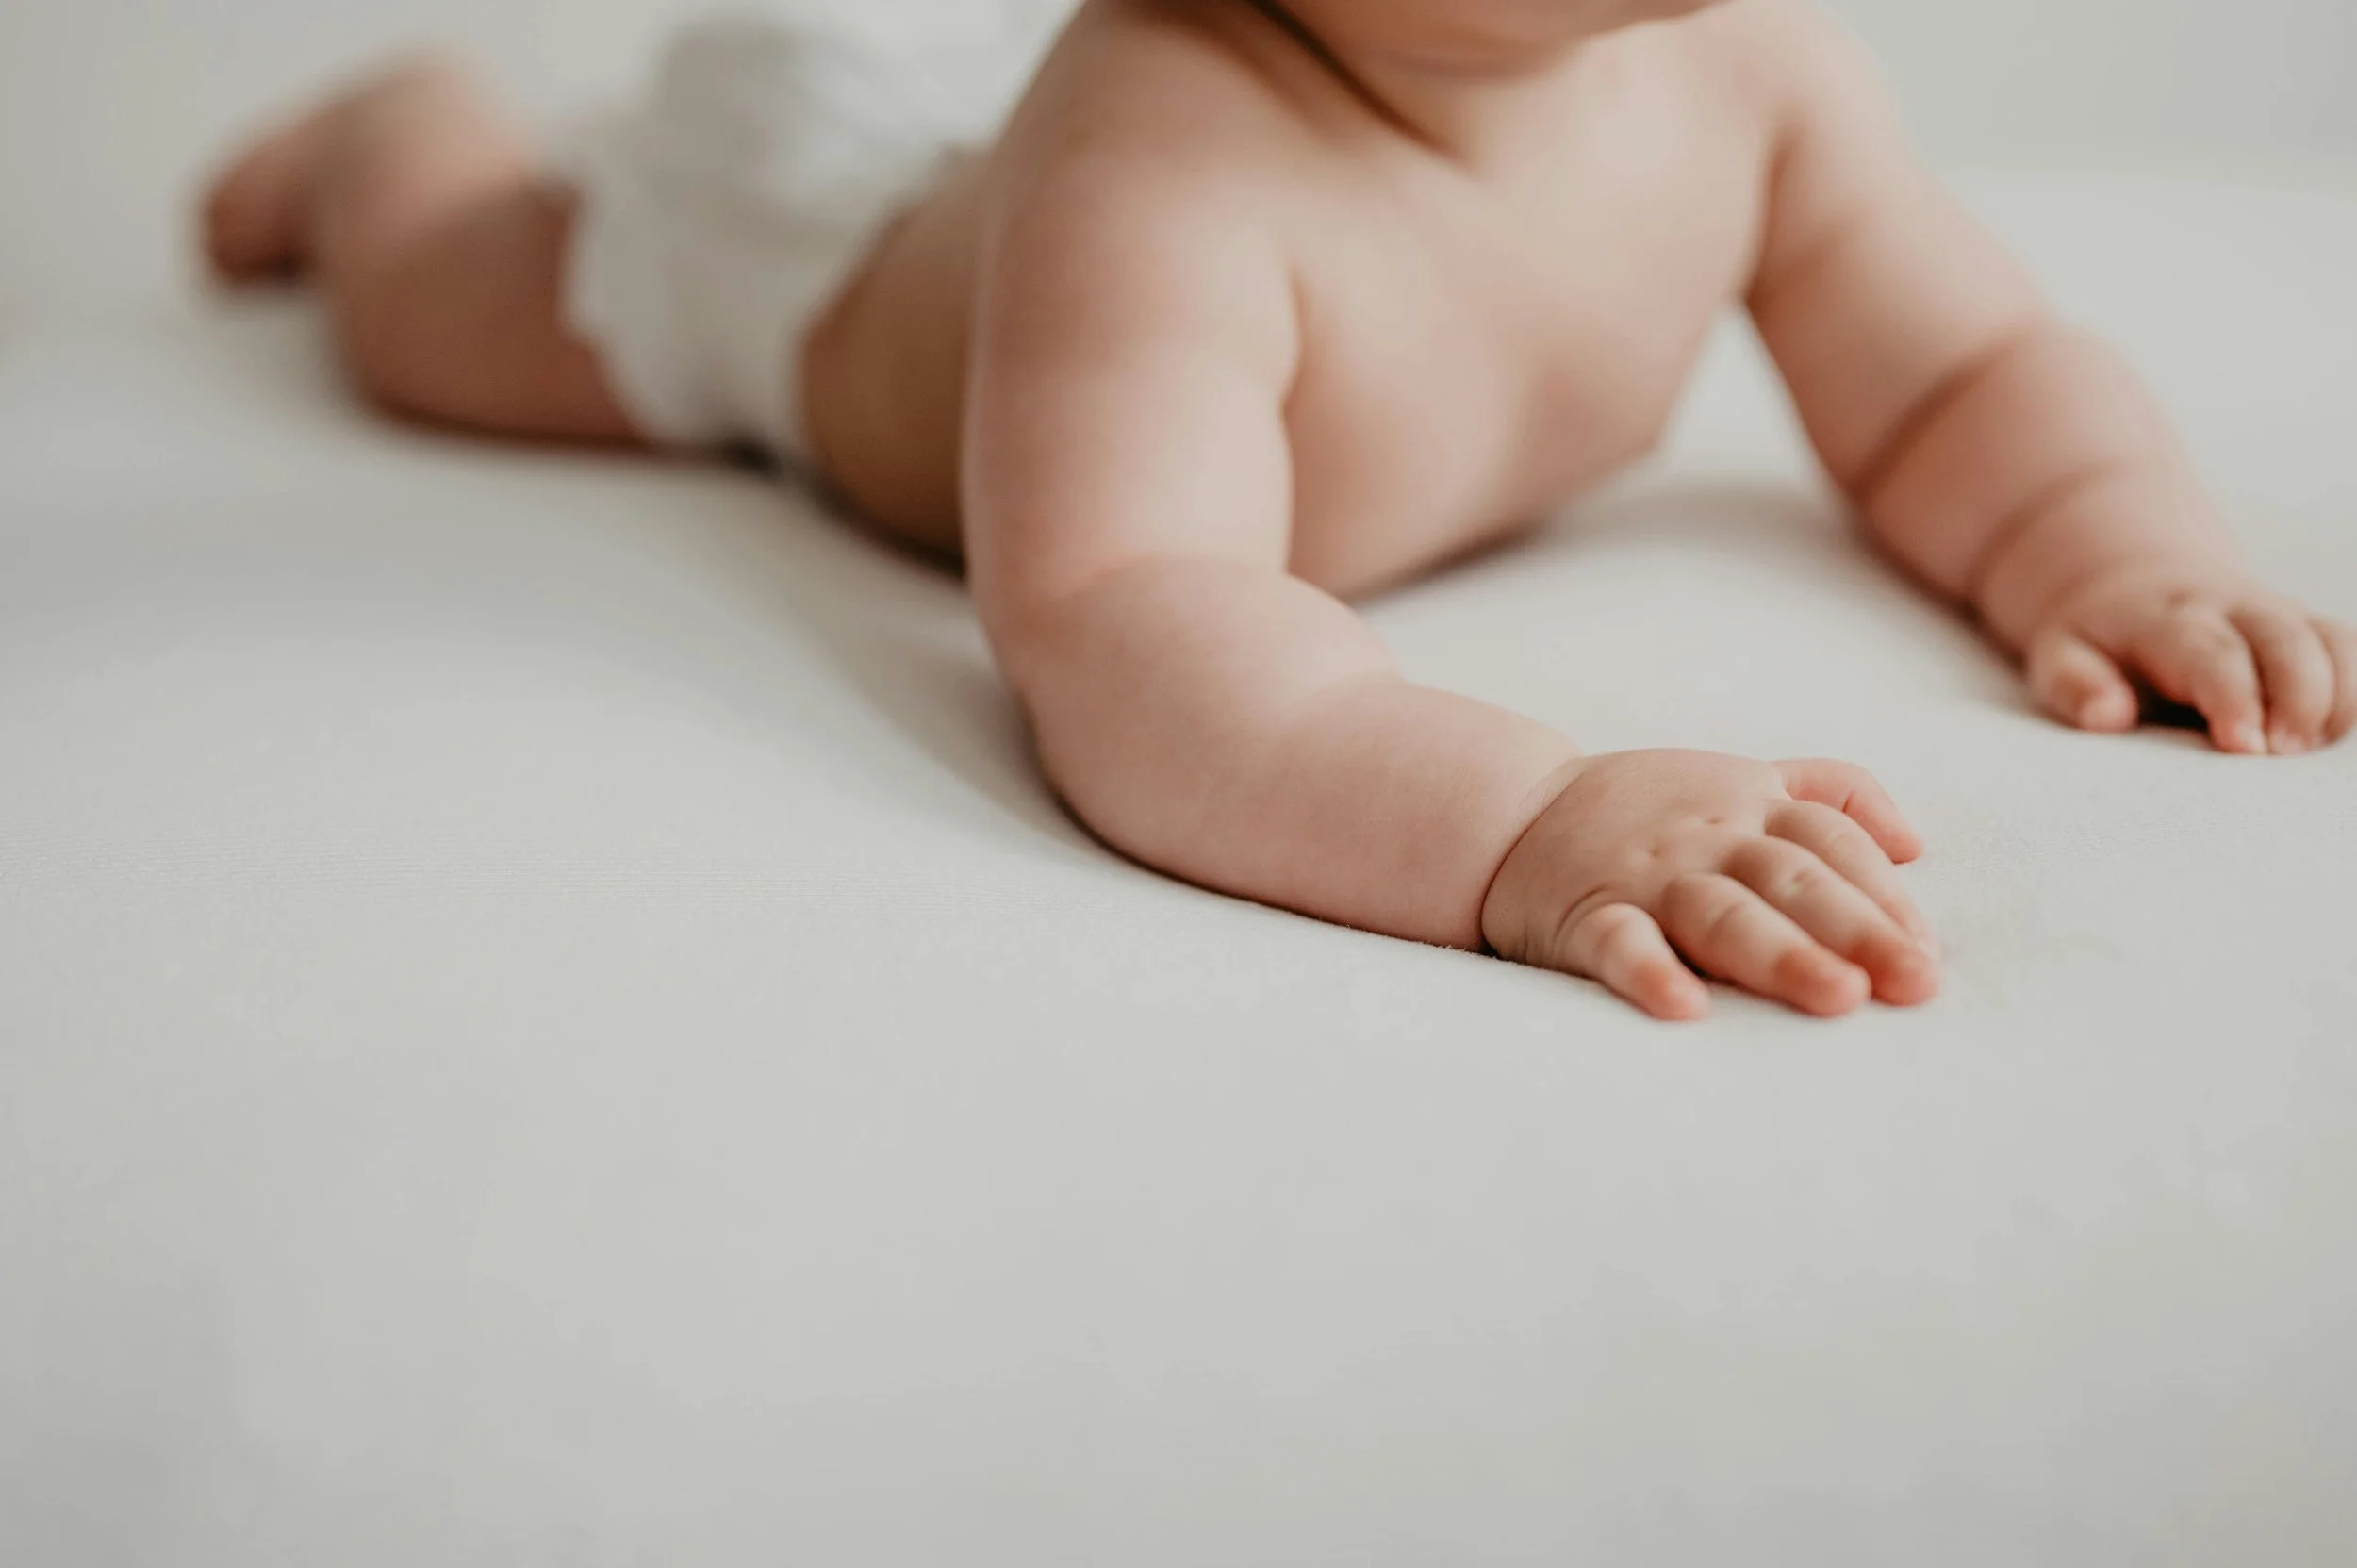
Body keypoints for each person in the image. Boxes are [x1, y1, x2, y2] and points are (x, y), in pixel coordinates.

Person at [202, 0, 2357, 1020]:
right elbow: (1128, 605)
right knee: (437, 314)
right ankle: (398, 125)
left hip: (973, 168)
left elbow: (1955, 382)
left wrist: (2109, 546)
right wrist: (1519, 820)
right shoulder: (1166, 152)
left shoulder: (1753, 75)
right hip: (802, 265)